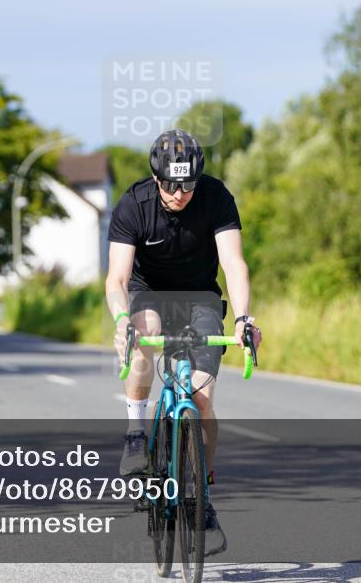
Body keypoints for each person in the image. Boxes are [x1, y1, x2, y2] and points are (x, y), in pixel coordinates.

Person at [106, 128, 263, 554]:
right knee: (147, 331)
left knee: (203, 396)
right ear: (156, 178)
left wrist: (245, 318)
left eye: (188, 184)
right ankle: (137, 432)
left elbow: (233, 262)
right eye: (171, 185)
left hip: (200, 297)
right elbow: (117, 278)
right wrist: (123, 320)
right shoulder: (134, 204)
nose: (179, 194)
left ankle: (203, 499)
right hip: (149, 293)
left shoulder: (216, 198)